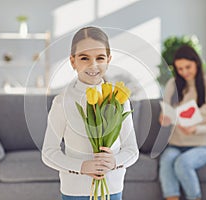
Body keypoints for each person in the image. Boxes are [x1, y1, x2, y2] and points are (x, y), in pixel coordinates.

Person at [42, 26, 139, 200]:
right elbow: (49, 153)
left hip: (112, 187)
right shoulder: (62, 102)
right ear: (73, 61)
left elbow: (132, 149)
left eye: (100, 58)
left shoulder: (119, 100)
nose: (93, 65)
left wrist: (115, 162)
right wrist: (82, 166)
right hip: (75, 190)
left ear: (108, 59)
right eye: (84, 58)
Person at [158, 45, 206, 200]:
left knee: (183, 163)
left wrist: (195, 129)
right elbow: (165, 112)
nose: (184, 72)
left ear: (197, 64)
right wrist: (164, 119)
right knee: (167, 161)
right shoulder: (172, 85)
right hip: (176, 144)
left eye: (188, 67)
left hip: (203, 146)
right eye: (180, 69)